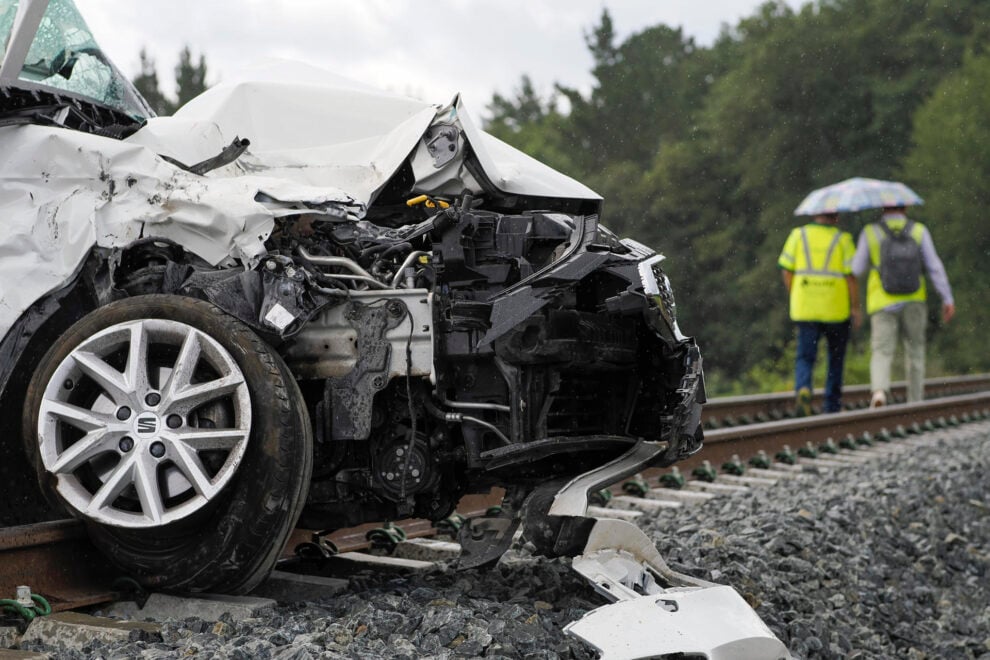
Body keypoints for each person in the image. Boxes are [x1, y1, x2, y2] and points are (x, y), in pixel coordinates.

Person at [852, 205, 955, 406]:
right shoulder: (919, 230)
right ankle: (915, 400)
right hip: (914, 299)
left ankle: (880, 391)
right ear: (906, 206)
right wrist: (947, 297)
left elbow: (856, 269)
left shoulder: (870, 232)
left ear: (882, 207)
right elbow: (934, 266)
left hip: (882, 301)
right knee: (915, 350)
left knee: (882, 350)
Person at [778, 212, 861, 415]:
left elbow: (786, 270)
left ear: (815, 214)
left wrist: (795, 292)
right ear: (836, 217)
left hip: (806, 307)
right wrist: (856, 306)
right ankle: (831, 404)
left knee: (805, 356)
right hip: (836, 308)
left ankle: (804, 388)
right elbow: (851, 276)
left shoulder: (798, 235)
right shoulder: (843, 239)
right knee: (836, 357)